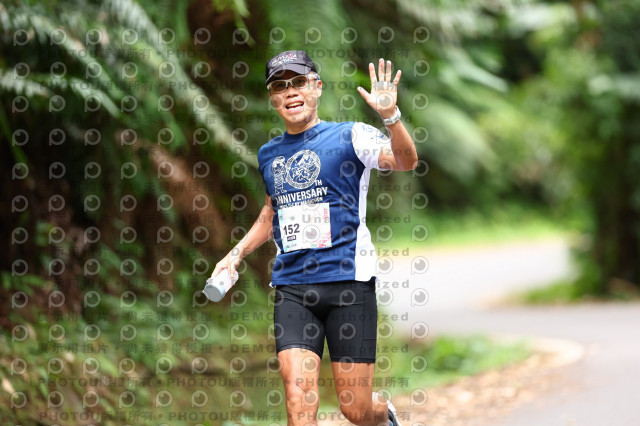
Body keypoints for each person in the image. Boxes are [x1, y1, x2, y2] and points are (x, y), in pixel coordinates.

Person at [212, 50, 418, 426]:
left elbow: (405, 161)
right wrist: (235, 254)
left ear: (317, 87)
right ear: (273, 98)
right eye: (280, 86)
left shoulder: (351, 135)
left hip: (348, 284)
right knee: (298, 399)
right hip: (293, 287)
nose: (290, 91)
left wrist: (390, 116)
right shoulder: (269, 154)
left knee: (356, 409)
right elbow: (272, 211)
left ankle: (383, 414)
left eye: (298, 82)